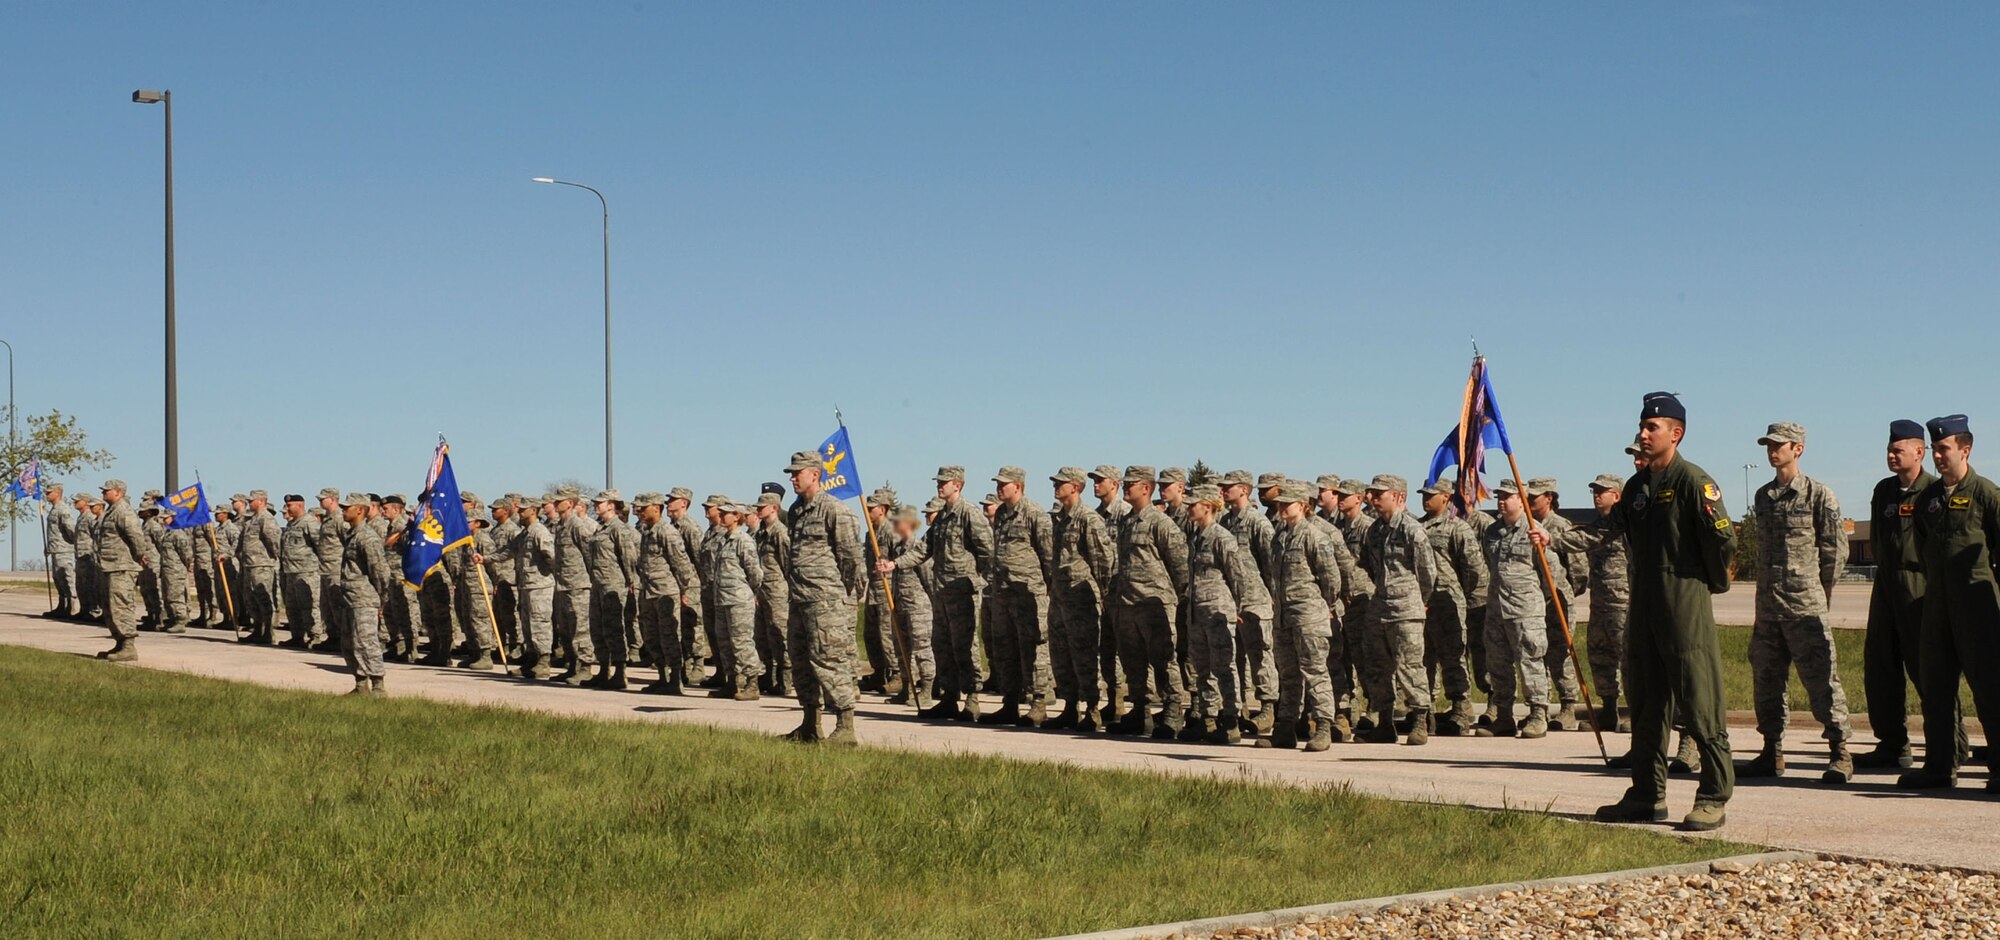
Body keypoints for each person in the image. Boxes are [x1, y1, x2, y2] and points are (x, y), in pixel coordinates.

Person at [1558, 392, 1737, 832]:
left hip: (1683, 598)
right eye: (1642, 426)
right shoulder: (1637, 487)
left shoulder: (1695, 481)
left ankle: (1713, 794)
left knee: (1699, 697)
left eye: (1652, 427)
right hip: (1643, 601)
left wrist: (1711, 582)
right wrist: (1553, 539)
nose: (1642, 433)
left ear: (1675, 433)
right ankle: (1645, 795)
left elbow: (1724, 539)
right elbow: (1606, 530)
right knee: (1646, 700)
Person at [1741, 422, 1853, 783]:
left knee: (1822, 680)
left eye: (1779, 445)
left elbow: (1835, 552)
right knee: (1767, 680)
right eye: (1768, 445)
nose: (1772, 451)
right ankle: (1771, 751)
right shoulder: (1762, 496)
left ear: (1798, 449)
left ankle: (1840, 751)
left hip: (1805, 607)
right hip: (1768, 607)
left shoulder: (1818, 495)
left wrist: (1819, 594)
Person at [1900, 415, 2000, 792]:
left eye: (1944, 449)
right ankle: (1940, 767)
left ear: (1965, 449)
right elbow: (1926, 545)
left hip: (1978, 608)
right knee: (1936, 689)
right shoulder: (1927, 499)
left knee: (1990, 689)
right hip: (1937, 607)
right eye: (1936, 449)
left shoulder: (1985, 494)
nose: (1938, 456)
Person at [1857, 420, 1943, 771]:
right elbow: (1877, 537)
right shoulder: (1884, 491)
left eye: (1898, 450)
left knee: (1926, 669)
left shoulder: (1933, 492)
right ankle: (1892, 744)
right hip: (1886, 586)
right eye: (1889, 450)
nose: (1891, 455)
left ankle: (1948, 744)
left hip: (1918, 586)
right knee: (1880, 666)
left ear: (1920, 453)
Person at [781, 450, 867, 745]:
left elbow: (851, 559)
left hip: (826, 600)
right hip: (799, 597)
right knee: (801, 660)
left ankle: (846, 726)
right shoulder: (795, 510)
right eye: (791, 474)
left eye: (797, 473)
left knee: (829, 660)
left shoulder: (835, 510)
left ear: (815, 475)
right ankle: (810, 723)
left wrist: (838, 593)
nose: (792, 478)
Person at [898, 466, 993, 722]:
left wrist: (980, 579)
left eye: (945, 482)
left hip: (962, 591)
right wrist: (895, 564)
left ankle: (972, 699)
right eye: (938, 481)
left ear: (958, 485)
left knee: (964, 645)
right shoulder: (941, 518)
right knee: (942, 645)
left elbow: (988, 550)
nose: (940, 485)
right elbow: (924, 549)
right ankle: (949, 698)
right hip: (941, 593)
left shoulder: (969, 513)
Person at [1110, 466, 1192, 740]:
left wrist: (1179, 600)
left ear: (1146, 488)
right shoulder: (1126, 522)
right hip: (1128, 603)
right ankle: (1140, 711)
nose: (1125, 488)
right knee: (1133, 661)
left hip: (1155, 603)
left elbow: (1180, 565)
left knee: (1164, 660)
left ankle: (1171, 711)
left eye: (1130, 484)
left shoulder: (1161, 523)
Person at [1265, 481, 1344, 751]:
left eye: (1288, 503)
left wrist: (1326, 606)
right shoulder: (1279, 536)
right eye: (1281, 503)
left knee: (1315, 671)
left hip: (1309, 614)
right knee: (1288, 674)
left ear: (1303, 505)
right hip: (1284, 616)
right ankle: (1285, 726)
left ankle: (1323, 725)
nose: (1282, 507)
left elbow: (1331, 579)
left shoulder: (1314, 536)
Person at [1359, 475, 1436, 744]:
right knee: (1378, 666)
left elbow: (1427, 572)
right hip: (1379, 606)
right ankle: (1385, 721)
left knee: (1410, 665)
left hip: (1406, 608)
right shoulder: (1375, 530)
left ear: (1398, 497)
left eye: (1379, 494)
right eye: (1371, 494)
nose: (1373, 499)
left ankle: (1419, 720)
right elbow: (1371, 565)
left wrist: (1418, 599)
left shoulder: (1412, 530)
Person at [1477, 479, 1557, 739]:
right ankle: (1503, 716)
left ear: (1521, 501)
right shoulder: (1491, 532)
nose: (1501, 501)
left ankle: (1537, 714)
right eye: (1498, 496)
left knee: (1530, 661)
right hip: (1497, 608)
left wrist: (1538, 603)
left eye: (1507, 496)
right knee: (1498, 664)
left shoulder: (1535, 531)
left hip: (1525, 609)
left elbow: (1550, 573)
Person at [1185, 483, 1265, 744]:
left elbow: (1237, 575)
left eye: (1193, 504)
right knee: (1202, 667)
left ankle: (1230, 720)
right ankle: (1208, 718)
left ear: (1207, 506)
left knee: (1224, 666)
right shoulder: (1196, 536)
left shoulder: (1221, 537)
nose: (1188, 509)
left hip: (1218, 610)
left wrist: (1239, 607)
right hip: (1198, 611)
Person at [986, 466, 1055, 727]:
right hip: (1003, 593)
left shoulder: (1034, 513)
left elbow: (1048, 554)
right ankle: (1010, 703)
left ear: (1018, 486)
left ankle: (1038, 702)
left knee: (1033, 649)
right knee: (1005, 648)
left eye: (1004, 484)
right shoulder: (1002, 514)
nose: (999, 488)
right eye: (998, 483)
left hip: (1028, 593)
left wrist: (1048, 588)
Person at [1047, 469, 1113, 731]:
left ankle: (1093, 709)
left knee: (1084, 654)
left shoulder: (1088, 519)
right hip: (1060, 597)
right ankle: (1070, 706)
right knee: (1061, 655)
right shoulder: (1060, 520)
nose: (1055, 486)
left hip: (1081, 597)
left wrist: (1105, 595)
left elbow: (1103, 559)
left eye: (1060, 483)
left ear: (1075, 487)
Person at [1417, 480, 1482, 736]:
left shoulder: (1457, 528)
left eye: (1431, 495)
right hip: (1423, 602)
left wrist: (1460, 593)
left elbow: (1473, 568)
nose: (1425, 499)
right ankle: (1425, 709)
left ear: (1446, 497)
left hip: (1448, 601)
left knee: (1453, 656)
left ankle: (1460, 707)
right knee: (1423, 659)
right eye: (1423, 495)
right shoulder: (1417, 527)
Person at [1219, 469, 1280, 738]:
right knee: (1234, 659)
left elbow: (1271, 564)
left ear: (1244, 490)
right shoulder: (1224, 521)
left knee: (1261, 656)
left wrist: (1274, 599)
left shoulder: (1257, 523)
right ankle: (1238, 708)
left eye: (1229, 486)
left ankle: (1268, 707)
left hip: (1256, 601)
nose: (1224, 490)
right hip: (1231, 602)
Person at [1526, 478, 1587, 731]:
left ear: (1549, 498)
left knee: (1561, 653)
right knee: (1537, 653)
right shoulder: (1527, 526)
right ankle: (1541, 707)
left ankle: (1568, 707)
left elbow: (1579, 569)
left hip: (1558, 601)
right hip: (1534, 602)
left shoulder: (1560, 526)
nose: (1530, 501)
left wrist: (1566, 592)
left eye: (1534, 497)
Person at [482, 493, 558, 680]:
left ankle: (543, 662)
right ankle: (531, 659)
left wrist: (552, 578)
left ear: (533, 511)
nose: (520, 512)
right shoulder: (525, 533)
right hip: (526, 586)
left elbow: (552, 558)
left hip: (539, 586)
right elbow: (508, 551)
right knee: (528, 625)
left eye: (523, 510)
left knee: (540, 624)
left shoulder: (539, 532)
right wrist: (485, 559)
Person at [632, 492, 698, 694]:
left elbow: (681, 564)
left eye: (643, 508)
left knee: (670, 636)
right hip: (648, 592)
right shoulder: (646, 531)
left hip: (666, 593)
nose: (639, 512)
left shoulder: (667, 532)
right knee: (651, 637)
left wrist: (686, 590)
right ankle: (662, 677)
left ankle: (676, 679)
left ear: (656, 507)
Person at [706, 501, 767, 700]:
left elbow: (755, 573)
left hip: (739, 600)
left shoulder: (744, 540)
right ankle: (732, 682)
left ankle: (752, 683)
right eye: (721, 513)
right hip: (722, 599)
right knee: (725, 642)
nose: (722, 516)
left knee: (742, 642)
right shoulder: (723, 539)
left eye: (726, 513)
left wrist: (751, 593)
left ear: (737, 516)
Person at [336, 493, 393, 695]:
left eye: (347, 507)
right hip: (349, 598)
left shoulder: (367, 537)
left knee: (366, 642)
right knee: (349, 643)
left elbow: (380, 571)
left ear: (360, 510)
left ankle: (378, 685)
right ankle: (361, 684)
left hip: (364, 598)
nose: (343, 511)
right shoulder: (351, 534)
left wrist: (381, 599)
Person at [93, 481, 156, 661]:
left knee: (121, 605)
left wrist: (140, 554)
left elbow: (135, 534)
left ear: (118, 493)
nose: (104, 493)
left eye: (107, 490)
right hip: (109, 565)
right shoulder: (111, 511)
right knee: (110, 606)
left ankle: (128, 646)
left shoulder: (123, 511)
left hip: (121, 566)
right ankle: (119, 642)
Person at [583, 489, 639, 688]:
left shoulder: (618, 528)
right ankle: (603, 669)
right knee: (598, 628)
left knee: (614, 627)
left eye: (601, 502)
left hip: (613, 584)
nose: (596, 505)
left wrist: (630, 580)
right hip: (598, 584)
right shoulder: (601, 528)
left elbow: (628, 557)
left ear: (612, 505)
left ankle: (619, 672)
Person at [885, 502, 938, 711]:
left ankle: (926, 687)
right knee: (902, 647)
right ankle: (907, 686)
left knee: (921, 648)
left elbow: (928, 580)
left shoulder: (918, 548)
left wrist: (933, 604)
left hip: (918, 607)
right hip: (900, 604)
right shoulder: (898, 548)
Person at [1089, 465, 1130, 724]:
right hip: (1102, 591)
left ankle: (1125, 703)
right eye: (1093, 480)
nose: (1095, 485)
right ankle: (1113, 701)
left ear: (1114, 484)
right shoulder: (1096, 516)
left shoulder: (1125, 514)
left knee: (1124, 650)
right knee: (1106, 650)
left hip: (1123, 591)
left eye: (1100, 481)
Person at [550, 485, 600, 684]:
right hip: (562, 585)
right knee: (565, 629)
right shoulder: (560, 526)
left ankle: (585, 668)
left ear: (569, 503)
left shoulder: (577, 526)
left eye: (558, 501)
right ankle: (571, 666)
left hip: (578, 585)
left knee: (580, 628)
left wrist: (590, 579)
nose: (554, 504)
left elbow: (589, 553)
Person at [859, 486, 903, 696]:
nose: (868, 512)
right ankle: (878, 672)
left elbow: (901, 558)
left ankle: (895, 674)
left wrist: (890, 564)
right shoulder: (871, 533)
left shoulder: (892, 531)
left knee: (887, 634)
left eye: (872, 508)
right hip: (873, 588)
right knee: (871, 634)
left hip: (888, 587)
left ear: (883, 510)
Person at [753, 490, 795, 697]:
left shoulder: (780, 533)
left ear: (774, 508)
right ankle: (768, 677)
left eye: (762, 507)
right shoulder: (760, 533)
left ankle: (785, 681)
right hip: (761, 591)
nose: (758, 510)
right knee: (762, 636)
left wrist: (789, 590)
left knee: (780, 635)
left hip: (777, 591)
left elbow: (788, 563)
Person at [666, 487, 709, 687]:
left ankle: (698, 665)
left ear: (684, 503)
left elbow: (699, 558)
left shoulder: (689, 527)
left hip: (690, 583)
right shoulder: (672, 526)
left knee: (693, 624)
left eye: (673, 500)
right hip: (675, 583)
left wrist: (697, 584)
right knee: (680, 625)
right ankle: (686, 663)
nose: (668, 504)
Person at [278, 494, 321, 648]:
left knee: (308, 605)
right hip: (290, 571)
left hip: (306, 572)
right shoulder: (291, 525)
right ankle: (297, 636)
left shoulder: (309, 523)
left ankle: (315, 636)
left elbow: (319, 546)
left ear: (300, 505)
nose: (287, 509)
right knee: (292, 606)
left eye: (290, 506)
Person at [42, 483, 78, 619]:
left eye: (49, 492)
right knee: (58, 578)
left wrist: (74, 543)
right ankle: (62, 605)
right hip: (55, 548)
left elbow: (70, 529)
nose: (47, 495)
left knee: (67, 576)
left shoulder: (63, 510)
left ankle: (72, 605)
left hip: (64, 549)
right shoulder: (54, 509)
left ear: (58, 493)